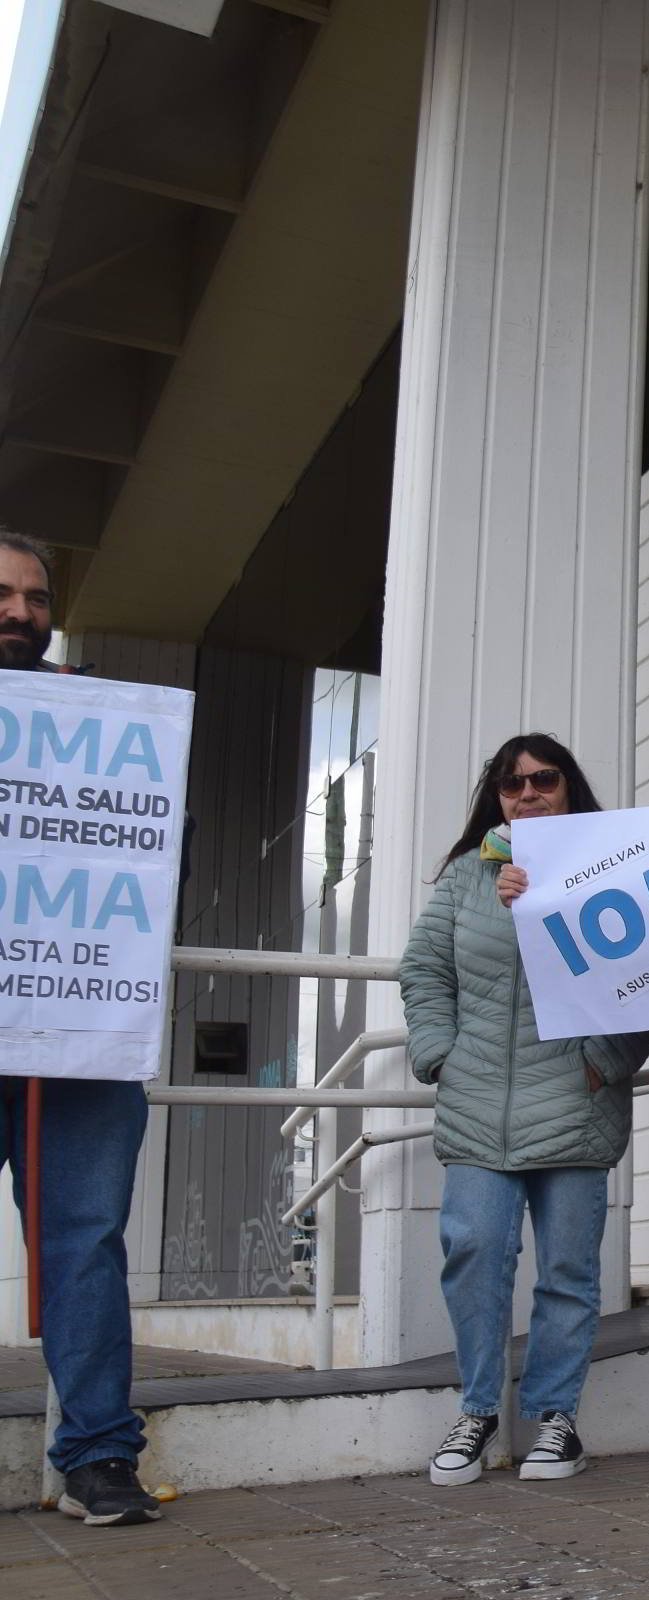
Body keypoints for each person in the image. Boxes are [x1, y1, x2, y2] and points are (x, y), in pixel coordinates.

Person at [401, 735, 649, 1485]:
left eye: (544, 779)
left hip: (574, 1100)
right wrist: (439, 1053)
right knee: (476, 1252)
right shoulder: (463, 878)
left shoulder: (615, 868)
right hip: (479, 1101)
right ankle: (478, 1410)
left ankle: (555, 1420)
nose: (529, 793)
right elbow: (423, 969)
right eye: (513, 784)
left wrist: (603, 1063)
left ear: (568, 787)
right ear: (498, 796)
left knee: (569, 1271)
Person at [0, 531, 161, 1526]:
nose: (18, 608)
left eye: (34, 594)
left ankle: (99, 1455)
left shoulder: (109, 722)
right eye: (1, 592)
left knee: (86, 1243)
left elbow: (155, 851)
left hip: (80, 1024)